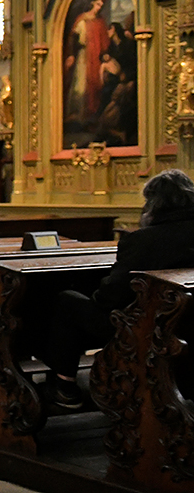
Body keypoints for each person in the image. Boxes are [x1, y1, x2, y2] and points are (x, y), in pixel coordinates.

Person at [40, 170, 194, 409]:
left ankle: (65, 385)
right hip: (189, 324)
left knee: (68, 301)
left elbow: (112, 296)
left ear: (154, 204)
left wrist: (98, 294)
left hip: (148, 329)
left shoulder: (143, 240)